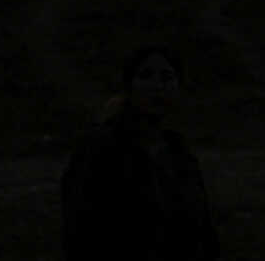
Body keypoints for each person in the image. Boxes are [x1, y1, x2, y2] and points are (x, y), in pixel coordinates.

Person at [61, 44, 220, 260]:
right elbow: (79, 230)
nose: (157, 86)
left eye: (167, 77)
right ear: (129, 87)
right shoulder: (99, 149)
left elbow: (201, 228)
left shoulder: (179, 154)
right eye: (146, 76)